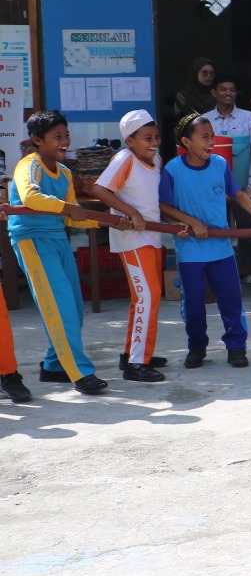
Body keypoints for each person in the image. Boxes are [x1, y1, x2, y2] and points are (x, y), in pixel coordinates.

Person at [9, 111, 118, 395]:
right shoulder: (28, 165)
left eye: (66, 135)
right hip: (32, 239)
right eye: (57, 136)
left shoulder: (65, 172)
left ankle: (54, 366)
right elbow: (31, 197)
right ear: (37, 140)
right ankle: (80, 373)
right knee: (60, 307)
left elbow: (74, 219)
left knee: (75, 309)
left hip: (58, 238)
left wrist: (109, 221)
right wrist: (68, 207)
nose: (65, 141)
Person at [160, 113, 251, 369]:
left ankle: (236, 347)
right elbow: (164, 206)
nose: (211, 141)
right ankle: (196, 346)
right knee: (194, 303)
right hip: (190, 249)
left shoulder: (220, 164)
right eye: (205, 137)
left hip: (221, 248)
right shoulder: (172, 169)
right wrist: (190, 222)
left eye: (212, 135)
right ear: (186, 142)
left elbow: (238, 195)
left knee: (231, 299)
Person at [89, 110, 169, 382]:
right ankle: (136, 364)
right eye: (147, 138)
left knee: (145, 297)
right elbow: (100, 189)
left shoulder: (156, 159)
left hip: (152, 237)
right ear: (130, 141)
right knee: (148, 296)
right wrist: (131, 212)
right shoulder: (124, 159)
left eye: (156, 136)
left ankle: (134, 354)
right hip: (132, 239)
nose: (154, 142)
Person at [202, 74, 251, 283]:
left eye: (232, 89)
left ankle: (247, 271)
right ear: (214, 92)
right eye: (223, 89)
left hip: (243, 185)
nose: (228, 93)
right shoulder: (204, 120)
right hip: (211, 186)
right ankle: (219, 273)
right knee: (215, 228)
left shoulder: (248, 118)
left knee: (247, 227)